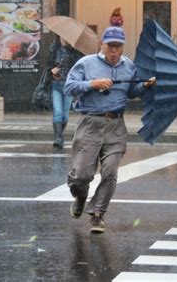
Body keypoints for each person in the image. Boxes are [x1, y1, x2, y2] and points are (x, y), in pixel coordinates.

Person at [63, 26, 156, 233]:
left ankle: (98, 214)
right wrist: (92, 84)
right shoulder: (85, 63)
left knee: (110, 172)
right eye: (110, 46)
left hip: (116, 125)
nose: (113, 51)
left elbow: (132, 91)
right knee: (81, 176)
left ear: (122, 47)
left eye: (118, 46)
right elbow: (69, 87)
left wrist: (145, 86)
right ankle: (80, 196)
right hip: (90, 123)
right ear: (101, 44)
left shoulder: (128, 66)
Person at [48, 35, 84, 148]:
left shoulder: (75, 53)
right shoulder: (54, 49)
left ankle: (60, 135)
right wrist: (52, 71)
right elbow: (48, 66)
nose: (64, 39)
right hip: (56, 85)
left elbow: (79, 68)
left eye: (66, 38)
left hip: (68, 86)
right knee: (58, 112)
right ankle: (58, 138)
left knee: (65, 115)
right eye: (62, 37)